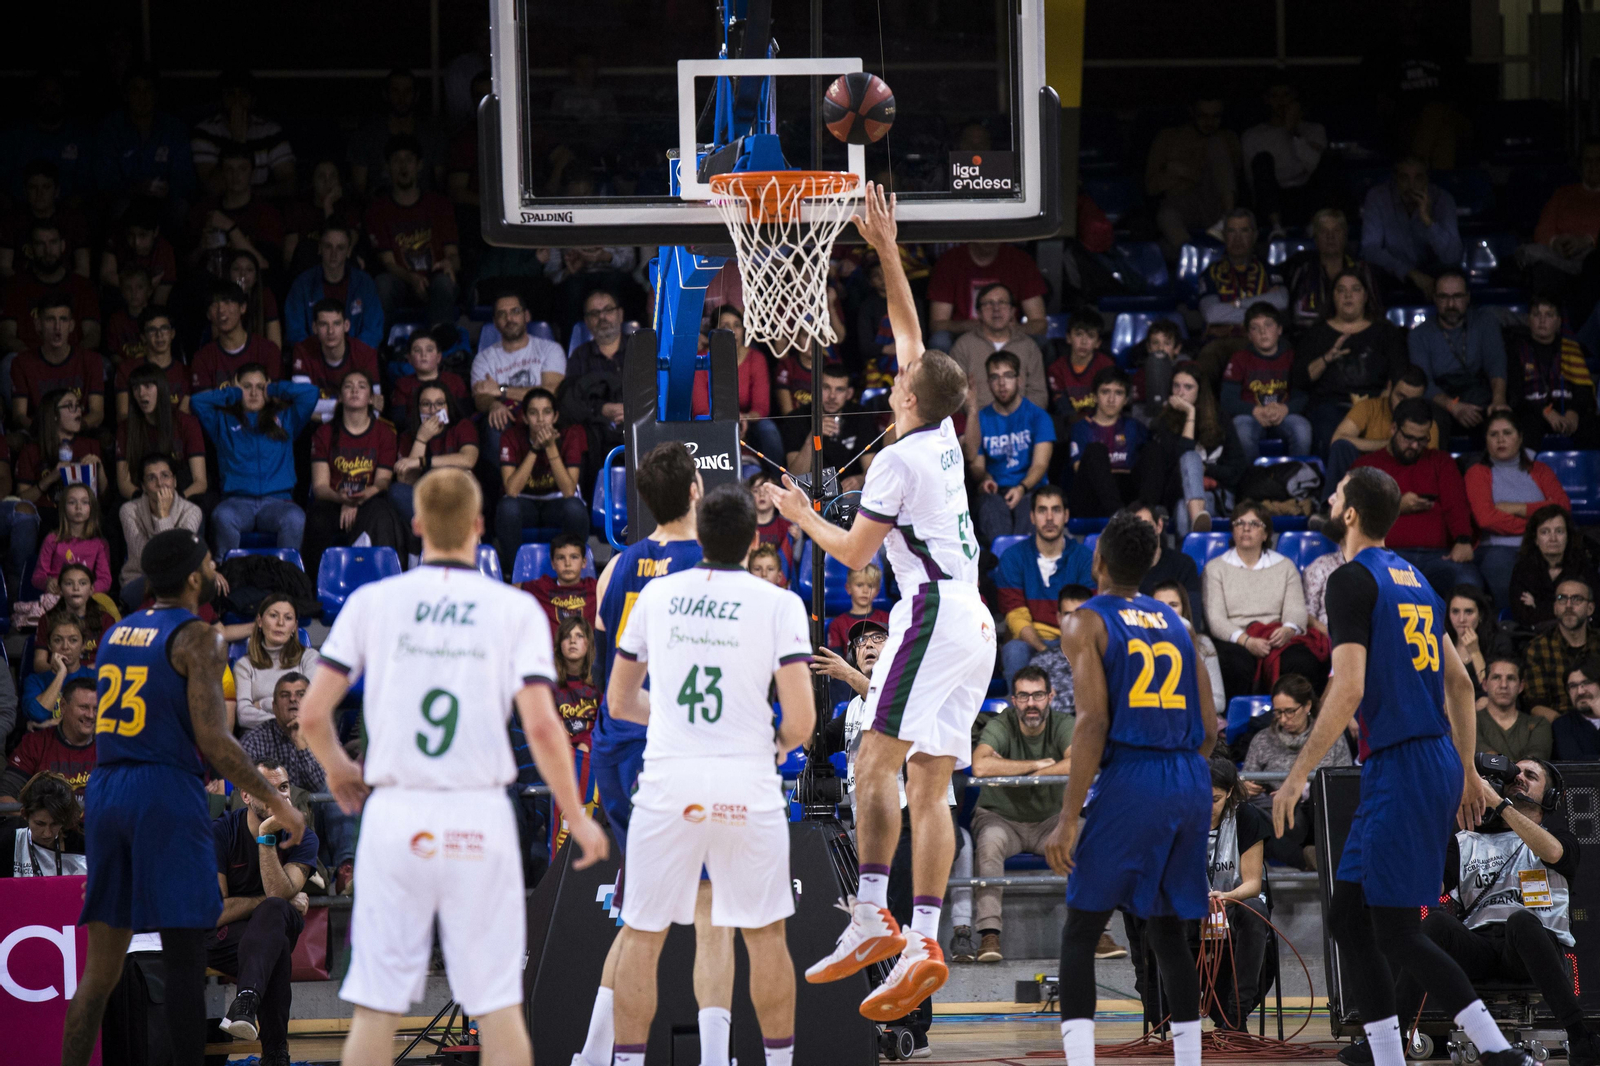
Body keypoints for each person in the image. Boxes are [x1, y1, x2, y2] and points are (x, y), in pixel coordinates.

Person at [764, 183, 995, 1019]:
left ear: (906, 398)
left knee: (873, 761)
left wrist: (800, 515)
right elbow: (912, 337)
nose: (892, 381)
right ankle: (924, 935)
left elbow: (857, 553)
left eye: (899, 382)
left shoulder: (899, 460)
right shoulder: (939, 432)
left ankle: (870, 913)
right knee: (931, 786)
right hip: (977, 622)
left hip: (930, 611)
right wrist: (887, 248)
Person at [297, 468, 604, 1066]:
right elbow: (543, 727)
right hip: (477, 813)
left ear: (415, 527)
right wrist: (576, 815)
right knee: (497, 1007)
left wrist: (337, 768)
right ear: (479, 527)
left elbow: (312, 713)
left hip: (396, 811)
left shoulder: (372, 602)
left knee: (377, 1007)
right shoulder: (514, 609)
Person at [1270, 466, 1525, 1066]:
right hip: (1426, 759)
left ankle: (1498, 1052)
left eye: (1335, 494)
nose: (1329, 499)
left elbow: (1350, 685)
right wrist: (1464, 769)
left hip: (1404, 762)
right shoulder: (1417, 580)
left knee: (1398, 930)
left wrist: (1298, 771)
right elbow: (1461, 685)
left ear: (1351, 514)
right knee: (1349, 917)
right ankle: (1385, 1052)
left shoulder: (1350, 580)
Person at [60, 528, 306, 1066]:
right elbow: (215, 740)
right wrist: (279, 802)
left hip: (106, 788)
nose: (218, 570)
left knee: (98, 974)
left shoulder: (117, 632)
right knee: (184, 964)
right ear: (195, 576)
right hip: (164, 791)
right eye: (211, 562)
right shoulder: (202, 637)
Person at [604, 482, 814, 1066]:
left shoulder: (657, 596)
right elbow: (801, 720)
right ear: (754, 539)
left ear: (699, 532)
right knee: (765, 936)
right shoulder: (779, 604)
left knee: (643, 938)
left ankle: (623, 1062)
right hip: (745, 781)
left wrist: (670, 716)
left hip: (670, 781)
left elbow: (619, 702)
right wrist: (769, 744)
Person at [1040, 509, 1216, 1066]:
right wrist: (1179, 776)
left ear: (1097, 560)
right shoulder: (1177, 624)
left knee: (1081, 928)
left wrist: (1069, 818)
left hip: (1135, 774)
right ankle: (1189, 1058)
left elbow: (1091, 722)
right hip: (1189, 774)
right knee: (1166, 929)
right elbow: (1212, 729)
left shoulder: (1085, 621)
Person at [577, 442, 726, 1066]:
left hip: (616, 746)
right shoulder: (714, 568)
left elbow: (606, 659)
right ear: (696, 490)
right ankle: (717, 1057)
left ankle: (593, 1054)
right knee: (706, 906)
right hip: (672, 748)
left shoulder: (615, 567)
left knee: (643, 908)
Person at [1385, 761, 1599, 1066]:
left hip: (1530, 948)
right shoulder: (1465, 842)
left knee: (1521, 920)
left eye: (1530, 775)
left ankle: (1580, 1036)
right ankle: (1389, 1038)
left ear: (1549, 796)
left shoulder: (1560, 840)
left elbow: (1552, 854)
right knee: (1434, 922)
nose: (1519, 778)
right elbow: (1427, 888)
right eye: (1516, 773)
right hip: (1478, 948)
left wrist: (1499, 803)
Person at [209, 759, 319, 1059]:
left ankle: (245, 1004)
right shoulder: (220, 833)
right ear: (245, 795)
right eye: (267, 788)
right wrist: (272, 901)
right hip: (225, 938)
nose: (281, 796)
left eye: (283, 787)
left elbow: (277, 893)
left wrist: (266, 835)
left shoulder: (303, 836)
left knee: (274, 913)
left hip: (270, 927)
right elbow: (214, 912)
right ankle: (276, 1055)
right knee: (275, 945)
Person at [969, 666, 1075, 963]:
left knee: (1088, 838)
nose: (1031, 703)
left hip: (1051, 822)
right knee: (989, 843)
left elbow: (1079, 762)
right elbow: (980, 767)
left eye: (1038, 695)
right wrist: (1036, 765)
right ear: (1013, 700)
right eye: (1024, 696)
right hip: (1001, 818)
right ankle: (989, 934)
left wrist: (1015, 767)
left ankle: (1099, 932)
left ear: (1050, 697)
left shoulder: (1064, 723)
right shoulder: (1001, 724)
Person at [1350, 398, 1482, 597]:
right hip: (1387, 556)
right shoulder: (1367, 465)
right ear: (1393, 428)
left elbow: (1456, 505)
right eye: (1408, 438)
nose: (1414, 445)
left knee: (1469, 582)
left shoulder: (1441, 462)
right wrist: (1396, 505)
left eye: (1422, 439)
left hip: (1438, 558)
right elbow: (1353, 514)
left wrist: (1463, 540)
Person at [240, 672, 356, 891]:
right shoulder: (256, 738)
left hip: (319, 819)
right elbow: (249, 788)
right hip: (273, 819)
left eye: (301, 694)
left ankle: (345, 871)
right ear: (274, 707)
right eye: (285, 695)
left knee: (339, 791)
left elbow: (323, 784)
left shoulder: (325, 733)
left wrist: (302, 744)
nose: (293, 700)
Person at [193, 368, 319, 556]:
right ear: (237, 388)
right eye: (246, 387)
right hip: (237, 502)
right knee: (222, 516)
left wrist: (275, 389)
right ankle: (228, 575)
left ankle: (286, 577)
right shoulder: (222, 420)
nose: (253, 393)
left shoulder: (286, 418)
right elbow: (197, 402)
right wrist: (233, 393)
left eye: (260, 387)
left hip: (278, 502)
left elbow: (311, 394)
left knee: (295, 518)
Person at [1204, 502, 1320, 699]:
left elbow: (1296, 610)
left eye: (1254, 524)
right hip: (1236, 639)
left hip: (1277, 635)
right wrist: (1246, 641)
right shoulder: (1215, 568)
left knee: (1302, 661)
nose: (1246, 528)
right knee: (1234, 663)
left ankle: (1297, 720)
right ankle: (1237, 723)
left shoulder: (1285, 566)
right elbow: (1215, 619)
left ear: (1266, 534)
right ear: (1232, 531)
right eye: (1240, 523)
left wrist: (1288, 629)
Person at [1240, 674, 1351, 869]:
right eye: (1278, 712)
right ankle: (1308, 858)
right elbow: (1248, 780)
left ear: (1307, 706)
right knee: (1250, 815)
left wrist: (1301, 790)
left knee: (1320, 788)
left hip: (1315, 815)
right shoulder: (1262, 740)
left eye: (1290, 711)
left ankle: (1309, 856)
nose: (1283, 719)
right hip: (1273, 814)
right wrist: (1246, 789)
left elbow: (1343, 787)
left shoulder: (1331, 737)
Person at [304, 368, 407, 576]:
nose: (354, 391)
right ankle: (316, 589)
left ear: (371, 398)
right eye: (348, 387)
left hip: (369, 499)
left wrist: (357, 501)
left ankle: (385, 582)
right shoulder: (324, 433)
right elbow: (320, 486)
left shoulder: (385, 433)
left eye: (361, 387)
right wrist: (342, 499)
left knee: (383, 515)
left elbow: (382, 482)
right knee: (317, 520)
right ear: (340, 397)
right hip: (333, 501)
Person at [1464, 415, 1572, 610]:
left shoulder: (1540, 470)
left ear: (1520, 438)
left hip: (1543, 545)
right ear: (1486, 440)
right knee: (1499, 563)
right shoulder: (1478, 473)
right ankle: (1510, 625)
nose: (1500, 439)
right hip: (1497, 549)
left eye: (1507, 433)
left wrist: (1517, 508)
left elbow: (1562, 508)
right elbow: (1486, 518)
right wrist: (1541, 517)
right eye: (1493, 434)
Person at [1293, 270, 1405, 451]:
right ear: (1333, 297)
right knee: (1329, 432)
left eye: (1355, 289)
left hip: (1375, 405)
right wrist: (1326, 358)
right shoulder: (1316, 333)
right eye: (1341, 290)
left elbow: (1400, 375)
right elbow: (1300, 379)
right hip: (1329, 407)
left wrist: (1384, 401)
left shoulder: (1386, 332)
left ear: (1366, 296)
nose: (1348, 295)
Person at [995, 487, 1094, 682]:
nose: (1049, 518)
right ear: (1032, 517)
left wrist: (1062, 652)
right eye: (1042, 510)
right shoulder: (1012, 558)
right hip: (1029, 640)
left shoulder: (1084, 559)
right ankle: (1021, 711)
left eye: (1056, 510)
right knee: (1014, 650)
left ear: (1066, 516)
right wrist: (1044, 651)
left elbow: (1086, 615)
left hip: (1072, 639)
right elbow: (1016, 616)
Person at [365, 134, 460, 327]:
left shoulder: (439, 205)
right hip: (401, 282)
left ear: (419, 165)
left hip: (436, 281)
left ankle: (441, 346)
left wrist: (450, 264)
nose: (403, 166)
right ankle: (377, 351)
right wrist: (413, 279)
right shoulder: (378, 209)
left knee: (444, 282)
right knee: (383, 283)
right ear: (387, 167)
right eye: (396, 161)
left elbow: (454, 255)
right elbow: (388, 263)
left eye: (408, 160)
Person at [496, 388, 589, 567]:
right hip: (524, 503)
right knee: (507, 508)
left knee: (575, 508)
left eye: (546, 412)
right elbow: (512, 490)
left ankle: (574, 571)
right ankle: (514, 572)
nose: (540, 419)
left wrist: (550, 447)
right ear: (524, 418)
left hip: (557, 502)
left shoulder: (570, 435)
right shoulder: (511, 436)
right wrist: (535, 449)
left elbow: (569, 490)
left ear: (555, 417)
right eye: (533, 413)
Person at [1408, 272, 1508, 438]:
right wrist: (1453, 406)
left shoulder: (1485, 323)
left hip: (1477, 392)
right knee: (1433, 420)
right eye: (1444, 297)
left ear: (1467, 298)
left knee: (1498, 416)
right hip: (1440, 398)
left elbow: (1496, 366)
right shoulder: (1419, 335)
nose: (1451, 304)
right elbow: (1423, 382)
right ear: (1434, 298)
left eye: (1457, 297)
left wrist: (1498, 401)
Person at [972, 350, 1055, 543]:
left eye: (1008, 376)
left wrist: (1021, 488)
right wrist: (985, 478)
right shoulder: (981, 419)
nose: (1002, 383)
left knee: (1031, 505)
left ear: (1020, 379)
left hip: (1030, 488)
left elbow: (1040, 465)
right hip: (995, 490)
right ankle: (1003, 564)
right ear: (988, 382)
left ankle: (1023, 564)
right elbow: (977, 465)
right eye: (995, 377)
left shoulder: (1038, 417)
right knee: (989, 505)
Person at [1146, 97, 1242, 259]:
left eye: (1215, 116)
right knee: (1166, 222)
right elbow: (1151, 186)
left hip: (1216, 206)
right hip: (1181, 206)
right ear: (1192, 113)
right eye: (1203, 116)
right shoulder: (1169, 137)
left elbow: (1231, 180)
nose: (1209, 122)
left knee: (1216, 143)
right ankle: (1195, 256)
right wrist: (1186, 173)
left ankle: (1228, 223)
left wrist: (1181, 170)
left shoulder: (1227, 139)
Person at [474, 290, 567, 456]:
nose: (509, 319)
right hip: (508, 415)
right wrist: (493, 404)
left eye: (515, 312)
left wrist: (502, 391)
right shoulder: (483, 359)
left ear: (527, 316)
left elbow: (550, 392)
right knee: (495, 422)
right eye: (502, 314)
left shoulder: (549, 349)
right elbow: (480, 397)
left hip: (544, 413)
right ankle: (504, 482)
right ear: (495, 322)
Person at [690, 305, 785, 465]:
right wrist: (729, 421)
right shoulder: (701, 360)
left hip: (748, 423)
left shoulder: (756, 358)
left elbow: (761, 408)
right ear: (714, 331)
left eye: (737, 325)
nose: (732, 331)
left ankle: (780, 481)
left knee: (768, 429)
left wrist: (744, 419)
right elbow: (700, 409)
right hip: (712, 422)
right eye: (724, 326)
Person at [1361, 157, 1464, 300]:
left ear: (1427, 179)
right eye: (1404, 178)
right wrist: (1410, 273)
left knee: (1452, 279)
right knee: (1369, 272)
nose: (1411, 186)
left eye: (1418, 178)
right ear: (1395, 179)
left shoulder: (1442, 199)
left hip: (1433, 273)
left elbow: (1452, 256)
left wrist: (1428, 221)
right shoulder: (1378, 197)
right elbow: (1370, 249)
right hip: (1393, 273)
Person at [1505, 294, 1597, 449]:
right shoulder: (1516, 350)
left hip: (1566, 412)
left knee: (1593, 426)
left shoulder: (1571, 349)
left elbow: (1584, 391)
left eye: (1549, 315)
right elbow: (1515, 396)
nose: (1542, 320)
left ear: (1558, 321)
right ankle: (1522, 471)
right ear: (1529, 320)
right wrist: (1544, 411)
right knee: (1524, 425)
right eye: (1536, 315)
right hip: (1533, 413)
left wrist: (1573, 412)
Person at [1221, 303, 1311, 463]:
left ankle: (1298, 479)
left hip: (1284, 415)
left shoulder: (1293, 357)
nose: (1263, 332)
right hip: (1251, 415)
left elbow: (1304, 395)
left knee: (1302, 429)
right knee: (1241, 429)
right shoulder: (1240, 358)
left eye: (1268, 325)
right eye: (1255, 328)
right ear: (1249, 334)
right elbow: (1227, 400)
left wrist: (1285, 408)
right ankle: (1253, 482)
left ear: (1279, 329)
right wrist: (1255, 410)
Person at [1196, 210, 1288, 363]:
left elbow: (1282, 301)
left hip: (1263, 340)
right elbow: (1212, 313)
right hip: (1222, 342)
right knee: (1206, 360)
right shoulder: (1211, 272)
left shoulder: (1269, 269)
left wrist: (1237, 304)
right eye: (1232, 231)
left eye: (1244, 231)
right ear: (1224, 235)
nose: (1238, 238)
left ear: (1255, 235)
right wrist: (1263, 308)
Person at [1325, 367, 1437, 490]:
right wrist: (1390, 444)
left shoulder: (1426, 424)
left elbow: (1426, 467)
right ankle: (1332, 505)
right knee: (1342, 447)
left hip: (1401, 483)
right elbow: (1337, 439)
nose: (1405, 405)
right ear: (1389, 387)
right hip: (1362, 476)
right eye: (1401, 397)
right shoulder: (1368, 408)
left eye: (1413, 401)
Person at [191, 68, 295, 197]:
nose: (237, 101)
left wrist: (249, 199)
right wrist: (237, 143)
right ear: (221, 100)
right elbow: (212, 188)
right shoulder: (205, 132)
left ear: (253, 100)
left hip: (261, 208)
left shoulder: (270, 132)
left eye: (244, 94)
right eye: (230, 94)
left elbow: (289, 185)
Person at [0, 221, 101, 354]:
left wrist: (68, 360)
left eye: (53, 242)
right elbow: (7, 335)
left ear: (62, 246)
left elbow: (92, 335)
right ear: (30, 249)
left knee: (102, 365)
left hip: (74, 361)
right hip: (28, 359)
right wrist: (36, 361)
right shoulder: (16, 285)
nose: (48, 250)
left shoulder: (82, 286)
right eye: (40, 244)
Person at [10, 291, 105, 432]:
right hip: (39, 435)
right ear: (38, 325)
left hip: (79, 433)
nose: (57, 327)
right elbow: (19, 415)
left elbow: (97, 414)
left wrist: (70, 430)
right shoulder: (22, 363)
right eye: (50, 319)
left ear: (71, 325)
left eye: (63, 319)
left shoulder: (92, 360)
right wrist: (46, 434)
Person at [1241, 79, 1327, 233]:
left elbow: (1315, 166)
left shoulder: (1314, 129)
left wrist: (1293, 130)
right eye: (1275, 96)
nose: (1281, 101)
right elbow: (1252, 181)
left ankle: (1315, 225)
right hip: (1273, 201)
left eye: (1286, 95)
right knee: (1262, 159)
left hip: (1306, 195)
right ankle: (1276, 228)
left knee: (1327, 160)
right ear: (1266, 100)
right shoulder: (1253, 135)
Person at [926, 242, 1048, 350]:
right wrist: (968, 326)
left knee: (1041, 342)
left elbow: (1039, 324)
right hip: (963, 335)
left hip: (1010, 335)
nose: (990, 237)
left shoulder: (1020, 260)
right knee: (940, 341)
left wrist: (1013, 329)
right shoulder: (950, 261)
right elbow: (937, 325)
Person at [119, 455, 204, 610]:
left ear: (175, 481)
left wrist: (162, 516)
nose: (160, 484)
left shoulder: (192, 511)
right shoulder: (129, 511)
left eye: (165, 476)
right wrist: (163, 515)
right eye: (152, 478)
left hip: (178, 582)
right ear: (143, 486)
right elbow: (149, 559)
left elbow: (177, 560)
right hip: (139, 579)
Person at [780, 362, 879, 492]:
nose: (832, 396)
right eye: (826, 388)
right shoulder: (797, 418)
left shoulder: (860, 416)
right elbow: (794, 479)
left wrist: (860, 479)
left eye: (839, 390)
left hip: (850, 495)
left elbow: (871, 469)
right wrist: (812, 438)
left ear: (849, 393)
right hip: (811, 495)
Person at [283, 223, 385, 349]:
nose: (334, 253)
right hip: (314, 361)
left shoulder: (364, 283)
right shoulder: (302, 284)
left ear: (348, 251)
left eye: (340, 248)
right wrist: (322, 357)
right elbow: (295, 332)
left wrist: (350, 356)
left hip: (356, 361)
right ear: (319, 248)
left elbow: (373, 331)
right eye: (328, 246)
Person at [186, 146, 283, 278]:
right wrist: (202, 248)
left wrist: (230, 227)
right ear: (222, 173)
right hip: (210, 285)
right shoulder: (204, 210)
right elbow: (185, 266)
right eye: (229, 169)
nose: (235, 175)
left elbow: (266, 267)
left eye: (242, 169)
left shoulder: (267, 214)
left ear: (252, 172)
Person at [949, 283, 1049, 411]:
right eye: (988, 304)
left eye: (1002, 302)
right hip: (978, 424)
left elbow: (1038, 393)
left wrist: (1021, 419)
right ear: (978, 313)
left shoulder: (1028, 346)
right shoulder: (963, 345)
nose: (996, 309)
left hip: (1022, 424)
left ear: (1013, 311)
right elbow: (954, 393)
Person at [1283, 209, 1384, 332]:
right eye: (1323, 231)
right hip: (1309, 340)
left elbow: (1375, 313)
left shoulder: (1361, 270)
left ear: (1345, 235)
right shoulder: (1301, 269)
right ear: (1315, 236)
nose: (1330, 236)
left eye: (1336, 230)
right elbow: (1293, 316)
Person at [391, 383, 479, 523]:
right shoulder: (408, 437)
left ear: (447, 407)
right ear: (418, 408)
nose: (433, 410)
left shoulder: (462, 427)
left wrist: (422, 461)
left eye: (439, 404)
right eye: (426, 404)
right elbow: (406, 482)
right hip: (424, 502)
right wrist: (421, 439)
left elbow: (468, 460)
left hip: (456, 496)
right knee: (397, 491)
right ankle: (436, 530)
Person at [1068, 367, 1148, 518]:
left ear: (1126, 399)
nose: (1111, 399)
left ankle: (1149, 511)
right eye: (1105, 392)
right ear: (1095, 396)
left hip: (1126, 495)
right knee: (1096, 450)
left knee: (1152, 449)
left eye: (1118, 393)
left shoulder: (1135, 427)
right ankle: (1118, 515)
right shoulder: (1081, 427)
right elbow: (1079, 469)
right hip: (1091, 496)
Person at [232, 595, 320, 733]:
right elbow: (243, 715)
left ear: (294, 627)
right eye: (273, 616)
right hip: (261, 739)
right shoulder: (244, 665)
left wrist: (263, 704)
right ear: (260, 622)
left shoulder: (310, 658)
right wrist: (286, 721)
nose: (280, 623)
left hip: (303, 736)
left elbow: (311, 706)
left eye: (288, 618)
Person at [0, 678, 98, 799]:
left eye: (96, 709)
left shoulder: (110, 748)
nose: (90, 715)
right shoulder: (35, 743)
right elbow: (6, 795)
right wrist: (27, 818)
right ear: (63, 706)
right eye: (84, 707)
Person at [1509, 505, 1600, 629]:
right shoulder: (1523, 570)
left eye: (1559, 531)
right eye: (1545, 532)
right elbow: (1523, 617)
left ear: (1568, 537)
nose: (1553, 539)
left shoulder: (1583, 568)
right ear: (1535, 539)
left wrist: (1539, 606)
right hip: (1535, 639)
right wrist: (1568, 609)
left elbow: (1593, 612)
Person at [1523, 578, 1599, 721]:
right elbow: (1536, 705)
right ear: (1555, 608)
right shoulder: (1538, 648)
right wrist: (1569, 729)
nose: (1569, 605)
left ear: (1590, 608)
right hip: (1560, 727)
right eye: (1562, 599)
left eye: (1577, 599)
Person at [16, 388, 104, 511]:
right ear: (54, 415)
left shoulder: (91, 445)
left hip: (83, 516)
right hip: (45, 516)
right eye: (70, 406)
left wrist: (99, 469)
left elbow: (105, 499)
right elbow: (21, 501)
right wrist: (51, 478)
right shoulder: (31, 451)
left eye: (78, 405)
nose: (78, 410)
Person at [1151, 581, 1225, 720]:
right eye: (1159, 606)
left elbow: (1219, 702)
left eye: (1173, 605)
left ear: (1183, 609)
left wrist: (1180, 706)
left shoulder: (1203, 644)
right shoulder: (1139, 644)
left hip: (1195, 720)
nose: (1167, 611)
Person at [191, 282, 284, 390]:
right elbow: (203, 403)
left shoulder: (268, 350)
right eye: (214, 304)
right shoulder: (203, 359)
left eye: (227, 302)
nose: (221, 310)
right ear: (208, 315)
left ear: (243, 307)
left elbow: (277, 399)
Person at [289, 299, 382, 402]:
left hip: (353, 418)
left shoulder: (365, 353)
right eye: (324, 324)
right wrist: (348, 404)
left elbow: (375, 404)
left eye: (336, 324)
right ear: (314, 328)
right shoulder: (303, 350)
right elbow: (301, 402)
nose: (331, 331)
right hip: (317, 418)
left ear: (346, 325)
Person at [35, 561, 120, 672]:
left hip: (93, 677)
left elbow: (113, 659)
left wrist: (95, 668)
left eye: (82, 583)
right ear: (60, 589)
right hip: (58, 677)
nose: (76, 588)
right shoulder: (47, 620)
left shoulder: (106, 620)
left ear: (91, 589)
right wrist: (61, 672)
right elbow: (39, 663)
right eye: (69, 583)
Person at [1025, 585, 1094, 719]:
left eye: (1081, 615)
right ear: (1059, 618)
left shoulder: (1106, 659)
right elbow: (1039, 710)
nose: (1074, 621)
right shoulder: (1041, 663)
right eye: (1068, 615)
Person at [0, 772, 86, 877]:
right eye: (40, 824)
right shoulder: (6, 842)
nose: (47, 834)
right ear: (25, 814)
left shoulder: (82, 847)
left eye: (55, 824)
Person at [33, 482, 112, 594]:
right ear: (63, 507)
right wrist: (48, 582)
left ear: (92, 508)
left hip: (87, 599)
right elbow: (37, 577)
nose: (78, 507)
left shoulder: (99, 544)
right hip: (57, 596)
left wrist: (88, 591)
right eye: (72, 502)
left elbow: (105, 580)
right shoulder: (52, 539)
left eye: (85, 502)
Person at [115, 306, 189, 422]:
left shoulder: (186, 373)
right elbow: (123, 416)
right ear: (143, 337)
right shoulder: (127, 369)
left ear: (172, 333)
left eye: (164, 328)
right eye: (152, 330)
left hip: (175, 437)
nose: (159, 335)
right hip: (140, 437)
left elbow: (185, 420)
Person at [22, 614, 94, 724]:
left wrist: (53, 723)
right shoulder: (34, 681)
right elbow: (37, 714)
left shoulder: (95, 678)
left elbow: (103, 719)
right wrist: (61, 674)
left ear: (83, 644)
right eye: (57, 640)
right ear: (49, 645)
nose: (65, 647)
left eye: (73, 640)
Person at [1046, 307, 1116, 421]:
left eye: (1091, 336)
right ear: (1068, 338)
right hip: (1069, 422)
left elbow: (1109, 401)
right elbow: (1061, 405)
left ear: (1098, 343)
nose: (1084, 342)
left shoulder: (1106, 365)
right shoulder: (1056, 368)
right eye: (1079, 334)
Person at [1477, 657, 1552, 762]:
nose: (1503, 685)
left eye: (1511, 678)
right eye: (1496, 677)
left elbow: (1534, 764)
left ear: (1521, 686)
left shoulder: (1538, 724)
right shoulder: (1470, 722)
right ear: (1485, 684)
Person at [391, 328, 469, 428]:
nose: (424, 355)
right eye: (417, 350)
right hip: (415, 434)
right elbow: (399, 421)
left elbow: (465, 415)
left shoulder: (455, 381)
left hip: (451, 435)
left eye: (429, 350)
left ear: (438, 357)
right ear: (409, 358)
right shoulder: (402, 384)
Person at [521, 533, 598, 629]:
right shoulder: (541, 586)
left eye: (574, 557)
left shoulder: (595, 587)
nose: (568, 563)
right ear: (553, 564)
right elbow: (505, 591)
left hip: (586, 643)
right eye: (561, 558)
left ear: (583, 562)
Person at [228, 249, 283, 349]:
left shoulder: (265, 296)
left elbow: (275, 346)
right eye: (236, 269)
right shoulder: (221, 299)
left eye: (249, 270)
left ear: (256, 276)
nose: (242, 274)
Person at [825, 564, 889, 650]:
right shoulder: (837, 624)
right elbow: (835, 659)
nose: (865, 591)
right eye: (859, 585)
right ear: (848, 588)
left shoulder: (888, 619)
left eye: (870, 586)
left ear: (877, 591)